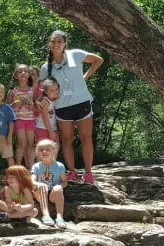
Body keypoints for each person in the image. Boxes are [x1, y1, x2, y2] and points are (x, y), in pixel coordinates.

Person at [40, 30, 104, 183]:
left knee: (86, 138)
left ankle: (88, 173)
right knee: (67, 140)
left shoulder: (75, 54)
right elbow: (44, 90)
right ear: (49, 44)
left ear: (65, 44)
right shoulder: (45, 68)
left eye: (59, 42)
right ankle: (73, 172)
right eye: (53, 42)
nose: (56, 44)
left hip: (82, 103)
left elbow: (98, 60)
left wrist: (85, 77)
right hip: (62, 107)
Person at [7, 64, 38, 169]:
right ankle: (18, 168)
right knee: (22, 144)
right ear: (16, 76)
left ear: (29, 75)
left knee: (30, 144)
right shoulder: (13, 91)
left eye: (25, 71)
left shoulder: (32, 90)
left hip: (31, 120)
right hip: (19, 120)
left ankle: (31, 169)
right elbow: (6, 108)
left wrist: (32, 106)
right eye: (20, 72)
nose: (23, 73)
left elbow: (37, 107)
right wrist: (14, 105)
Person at [31, 139, 68, 228]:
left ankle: (60, 217)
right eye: (41, 150)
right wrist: (38, 184)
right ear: (38, 152)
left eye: (47, 149)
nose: (44, 151)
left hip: (52, 194)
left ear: (53, 150)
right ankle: (46, 215)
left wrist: (60, 186)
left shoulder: (59, 166)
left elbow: (65, 182)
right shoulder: (36, 166)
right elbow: (32, 181)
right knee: (43, 187)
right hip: (40, 193)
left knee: (58, 188)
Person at [35, 78, 60, 151]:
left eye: (56, 89)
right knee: (43, 151)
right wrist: (51, 132)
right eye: (52, 90)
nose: (55, 91)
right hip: (43, 129)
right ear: (46, 92)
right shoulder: (45, 102)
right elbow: (45, 118)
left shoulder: (55, 100)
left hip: (52, 129)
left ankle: (52, 163)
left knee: (55, 149)